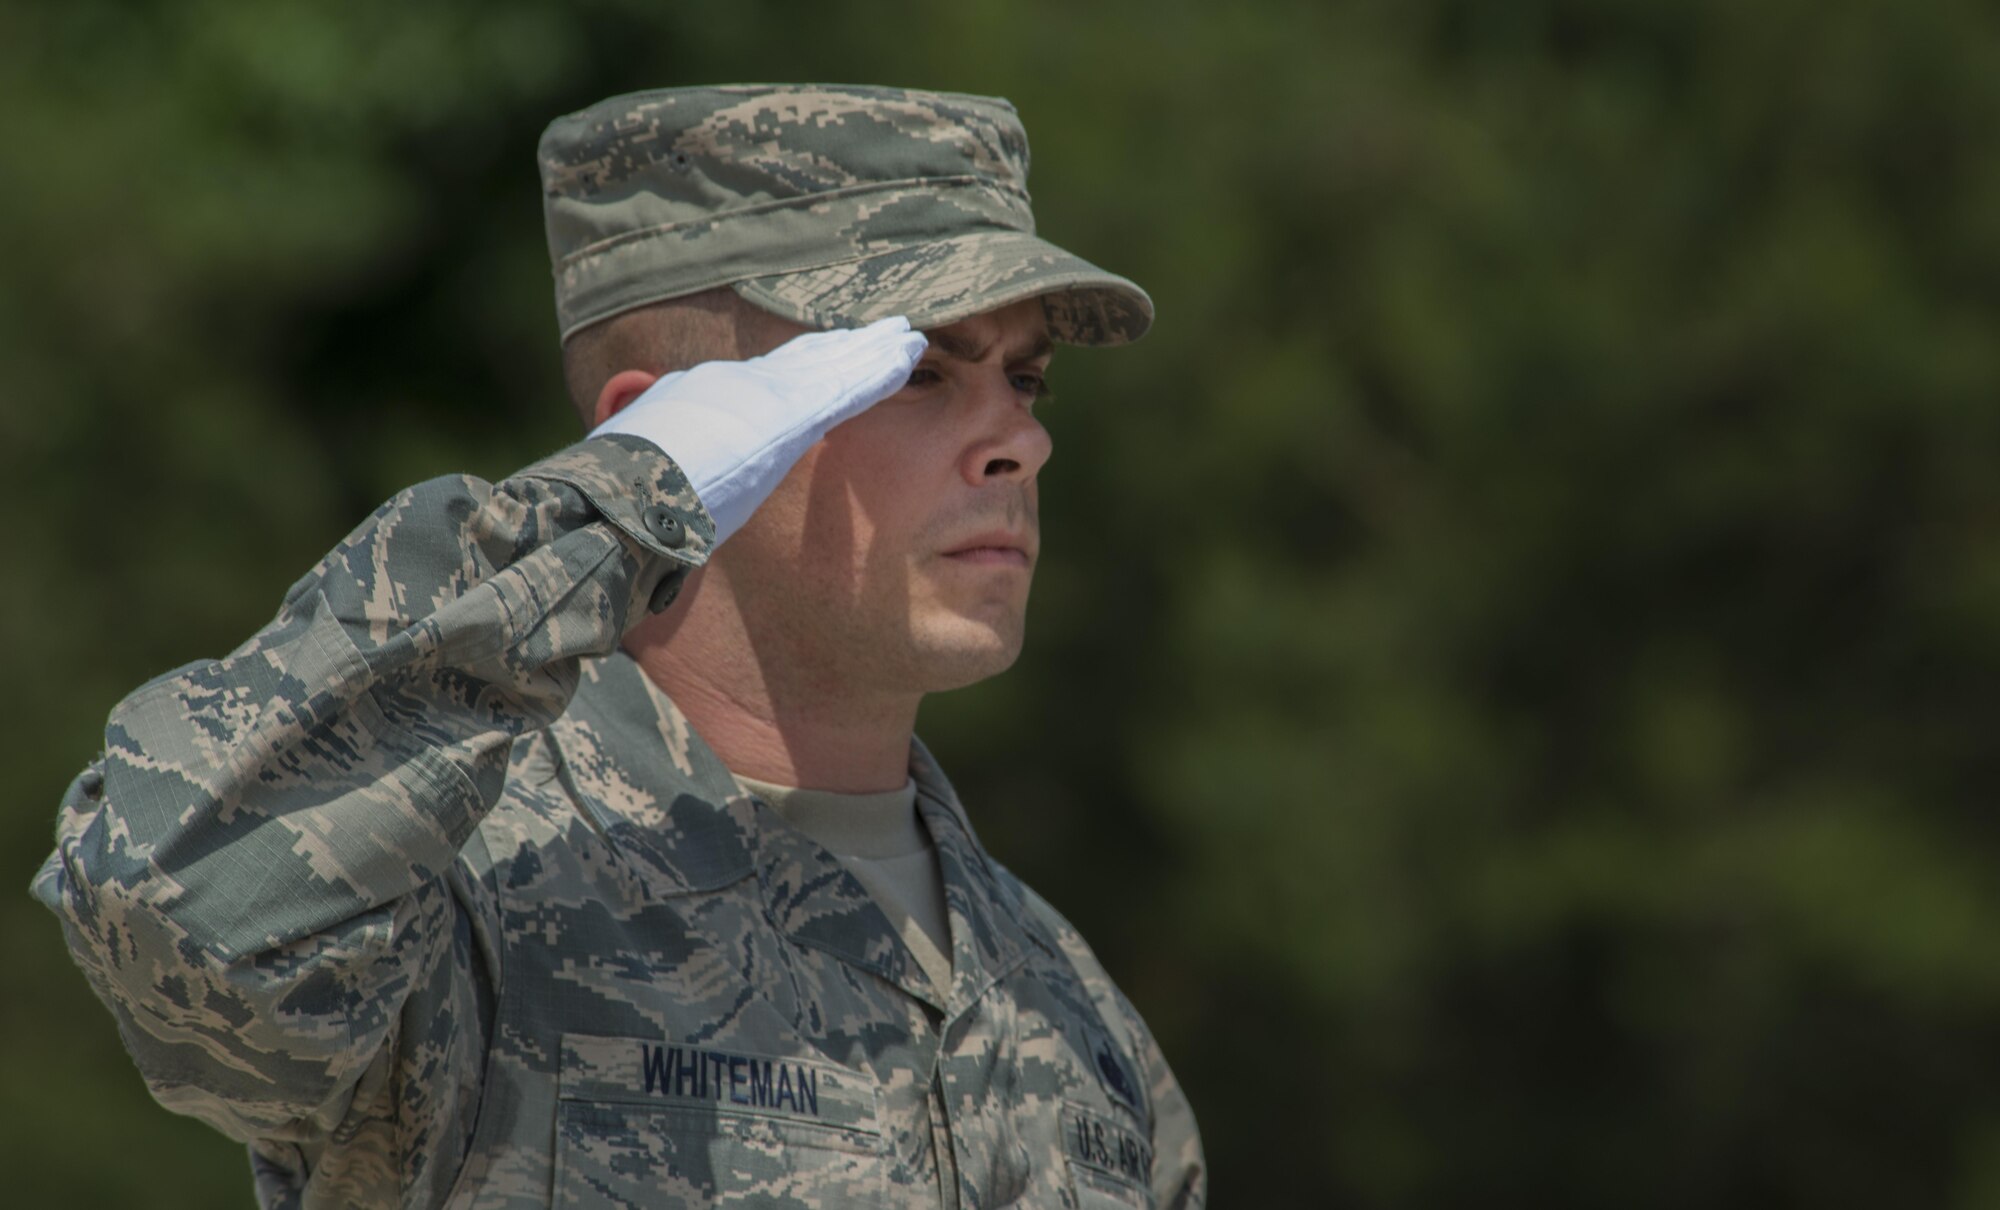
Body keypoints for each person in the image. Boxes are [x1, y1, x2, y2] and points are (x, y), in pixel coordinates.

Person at [32, 84, 1203, 1209]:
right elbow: (171, 901)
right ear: (664, 433)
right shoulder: (456, 893)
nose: (1018, 445)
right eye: (915, 372)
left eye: (1026, 379)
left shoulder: (1070, 1008)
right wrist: (606, 514)